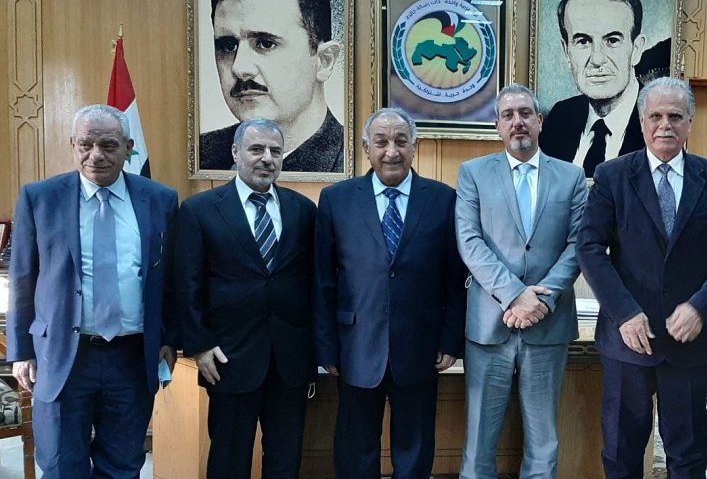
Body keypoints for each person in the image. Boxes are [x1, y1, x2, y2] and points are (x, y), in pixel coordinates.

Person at [577, 77, 707, 478]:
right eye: (655, 116)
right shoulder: (613, 175)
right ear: (642, 123)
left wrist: (701, 308)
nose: (665, 125)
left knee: (688, 453)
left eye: (675, 116)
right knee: (621, 452)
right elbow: (589, 248)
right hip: (628, 342)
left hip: (689, 343)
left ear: (691, 122)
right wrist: (624, 313)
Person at [6, 104, 178, 477]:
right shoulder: (40, 198)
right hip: (63, 356)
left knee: (122, 466)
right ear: (73, 145)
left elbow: (170, 276)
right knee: (61, 466)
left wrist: (169, 337)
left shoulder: (160, 199)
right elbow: (23, 278)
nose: (96, 155)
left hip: (132, 357)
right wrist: (21, 351)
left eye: (109, 145)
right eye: (85, 144)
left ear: (129, 148)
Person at [313, 108, 467, 479]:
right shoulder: (336, 199)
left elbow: (455, 278)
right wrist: (326, 349)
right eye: (381, 142)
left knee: (415, 450)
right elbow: (322, 281)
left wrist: (450, 340)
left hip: (421, 347)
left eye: (401, 141)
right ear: (367, 148)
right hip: (355, 347)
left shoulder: (444, 199)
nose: (391, 151)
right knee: (355, 450)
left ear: (415, 146)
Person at [455, 84, 588, 479]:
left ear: (540, 121)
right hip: (489, 326)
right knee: (479, 439)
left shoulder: (571, 177)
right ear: (497, 126)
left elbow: (579, 244)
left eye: (525, 113)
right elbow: (470, 242)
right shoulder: (473, 174)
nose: (517, 122)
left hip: (548, 324)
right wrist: (515, 296)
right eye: (508, 115)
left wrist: (542, 301)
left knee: (544, 440)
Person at [176, 118, 317, 478]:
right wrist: (199, 345)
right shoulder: (200, 210)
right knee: (228, 459)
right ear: (236, 152)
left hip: (290, 359)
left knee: (285, 459)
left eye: (275, 151)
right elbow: (187, 284)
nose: (267, 158)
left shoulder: (303, 210)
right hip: (228, 357)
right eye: (256, 149)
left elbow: (314, 284)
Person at [199, 0, 345, 172]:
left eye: (266, 44)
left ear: (324, 61)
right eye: (228, 46)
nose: (239, 68)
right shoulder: (201, 154)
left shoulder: (356, 162)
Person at [538, 0, 648, 177]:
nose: (597, 59)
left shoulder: (657, 121)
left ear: (636, 49)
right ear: (566, 51)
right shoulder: (560, 117)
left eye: (612, 40)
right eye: (583, 41)